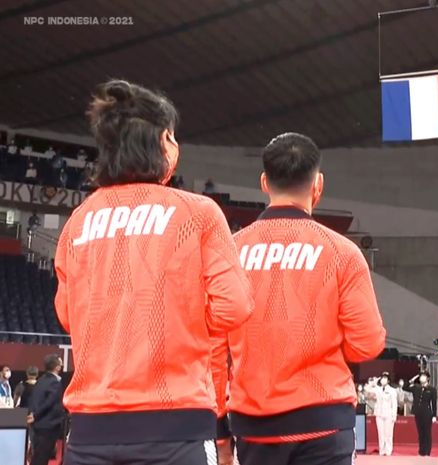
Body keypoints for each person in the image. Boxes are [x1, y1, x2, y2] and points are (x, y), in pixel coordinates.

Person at [54, 79, 254, 465]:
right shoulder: (198, 213)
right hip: (176, 427)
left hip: (90, 430)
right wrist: (182, 318)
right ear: (163, 142)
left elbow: (68, 315)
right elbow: (234, 306)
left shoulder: (78, 222)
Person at [213, 132, 386, 465]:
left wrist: (221, 428)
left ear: (264, 182)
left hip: (254, 424)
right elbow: (367, 343)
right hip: (323, 420)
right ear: (318, 184)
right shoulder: (342, 253)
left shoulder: (230, 252)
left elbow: (214, 347)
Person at [29, 355, 66, 465]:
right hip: (48, 425)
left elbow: (35, 400)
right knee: (41, 457)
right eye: (60, 363)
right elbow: (49, 403)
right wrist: (35, 415)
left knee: (38, 456)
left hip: (39, 424)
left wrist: (34, 415)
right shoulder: (54, 382)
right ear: (57, 367)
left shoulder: (41, 380)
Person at [403, 372, 437, 456]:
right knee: (420, 433)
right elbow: (405, 387)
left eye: (424, 376)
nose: (422, 378)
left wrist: (434, 415)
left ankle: (427, 452)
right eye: (421, 376)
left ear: (428, 378)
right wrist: (412, 380)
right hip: (418, 413)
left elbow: (434, 403)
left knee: (427, 433)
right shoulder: (416, 387)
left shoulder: (432, 389)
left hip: (427, 413)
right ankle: (421, 451)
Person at [370, 372, 398, 456]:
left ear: (388, 380)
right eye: (382, 378)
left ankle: (388, 450)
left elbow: (394, 404)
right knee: (381, 433)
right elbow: (367, 389)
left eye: (385, 378)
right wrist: (374, 382)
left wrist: (394, 415)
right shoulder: (378, 389)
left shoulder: (392, 390)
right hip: (379, 414)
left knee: (388, 434)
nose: (383, 380)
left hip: (388, 414)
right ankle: (381, 450)